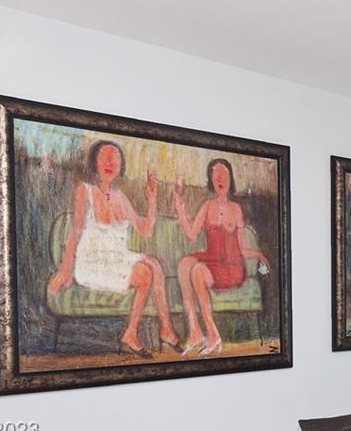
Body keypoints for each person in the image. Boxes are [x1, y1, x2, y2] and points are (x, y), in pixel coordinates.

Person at [48, 140, 178, 357]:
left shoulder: (121, 198)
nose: (110, 162)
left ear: (121, 165)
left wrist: (152, 200)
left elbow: (145, 230)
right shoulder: (84, 191)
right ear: (95, 162)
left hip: (118, 259)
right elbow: (76, 232)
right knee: (146, 272)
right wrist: (65, 270)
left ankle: (163, 329)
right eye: (104, 156)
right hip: (94, 263)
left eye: (115, 157)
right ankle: (136, 333)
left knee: (155, 264)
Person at [173, 158, 268, 357]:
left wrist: (258, 254)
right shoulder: (207, 206)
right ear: (211, 180)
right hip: (212, 258)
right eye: (216, 175)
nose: (220, 179)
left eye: (224, 175)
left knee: (197, 270)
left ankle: (213, 335)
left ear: (230, 178)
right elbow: (191, 233)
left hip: (232, 266)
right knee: (184, 265)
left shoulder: (236, 209)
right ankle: (195, 332)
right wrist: (179, 205)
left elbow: (242, 248)